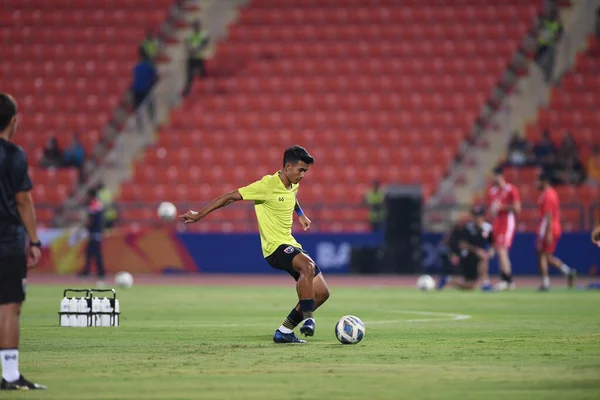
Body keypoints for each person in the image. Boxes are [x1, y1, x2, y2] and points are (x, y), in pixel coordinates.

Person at [179, 145, 329, 343]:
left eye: (305, 171)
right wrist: (200, 214)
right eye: (301, 170)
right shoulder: (266, 185)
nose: (303, 175)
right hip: (274, 248)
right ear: (288, 167)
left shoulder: (293, 183)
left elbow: (292, 197)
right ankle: (309, 319)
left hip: (290, 243)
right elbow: (231, 196)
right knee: (307, 266)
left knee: (322, 294)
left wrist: (301, 215)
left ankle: (284, 332)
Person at [0, 93, 46, 390]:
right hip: (6, 241)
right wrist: (34, 241)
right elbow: (23, 200)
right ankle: (10, 375)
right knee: (8, 308)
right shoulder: (14, 155)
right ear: (13, 121)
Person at [535, 171, 576, 291]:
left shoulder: (548, 195)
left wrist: (548, 233)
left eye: (538, 181)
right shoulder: (551, 193)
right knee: (546, 256)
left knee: (542, 255)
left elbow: (548, 215)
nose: (536, 183)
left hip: (549, 228)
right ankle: (567, 271)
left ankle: (546, 283)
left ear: (544, 182)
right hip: (553, 227)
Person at [437, 206, 494, 291]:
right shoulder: (467, 228)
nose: (476, 218)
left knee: (471, 285)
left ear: (483, 216)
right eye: (474, 216)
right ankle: (486, 284)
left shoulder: (488, 228)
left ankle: (448, 280)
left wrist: (491, 251)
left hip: (478, 256)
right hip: (467, 256)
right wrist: (477, 250)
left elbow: (492, 242)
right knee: (483, 257)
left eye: (478, 216)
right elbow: (462, 244)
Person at [486, 166, 520, 291]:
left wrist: (502, 207)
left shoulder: (511, 189)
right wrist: (493, 210)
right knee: (500, 252)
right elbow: (490, 210)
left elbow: (517, 208)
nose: (493, 179)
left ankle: (508, 280)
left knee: (501, 250)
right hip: (497, 223)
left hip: (507, 222)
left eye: (495, 176)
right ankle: (505, 279)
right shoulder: (492, 191)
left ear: (500, 176)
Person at [77, 188, 106, 279]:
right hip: (97, 232)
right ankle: (94, 271)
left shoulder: (93, 205)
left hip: (94, 232)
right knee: (92, 253)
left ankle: (97, 272)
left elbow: (91, 219)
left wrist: (84, 227)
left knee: (93, 253)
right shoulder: (98, 204)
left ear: (91, 196)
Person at [182, 21, 209, 96]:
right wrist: (191, 49)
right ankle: (188, 91)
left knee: (202, 74)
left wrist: (197, 48)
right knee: (189, 76)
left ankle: (203, 90)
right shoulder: (189, 35)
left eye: (197, 26)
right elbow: (186, 44)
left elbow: (205, 44)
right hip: (191, 57)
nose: (196, 27)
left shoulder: (203, 34)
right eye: (194, 26)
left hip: (199, 57)